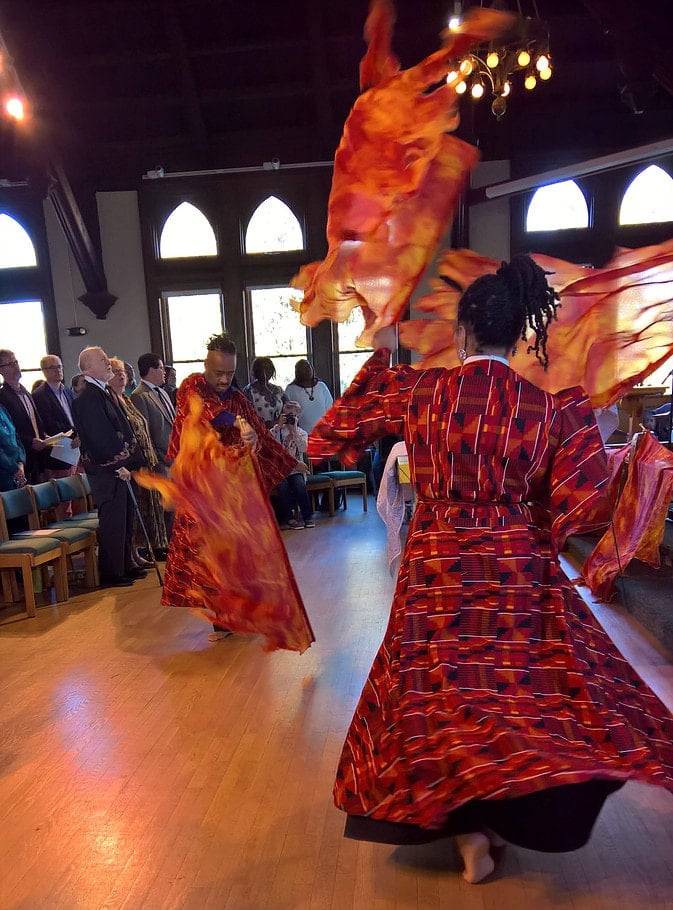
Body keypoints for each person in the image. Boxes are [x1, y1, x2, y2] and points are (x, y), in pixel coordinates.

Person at [308, 255, 673, 884]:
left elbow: (326, 439)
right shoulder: (548, 407)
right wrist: (537, 529)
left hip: (436, 565)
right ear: (517, 334)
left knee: (440, 691)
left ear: (462, 334)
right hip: (513, 567)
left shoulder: (421, 392)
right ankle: (505, 816)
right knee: (512, 692)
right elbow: (584, 499)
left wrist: (380, 353)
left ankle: (467, 827)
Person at [163, 332, 301, 641]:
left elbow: (259, 434)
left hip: (231, 491)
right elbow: (209, 414)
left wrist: (288, 460)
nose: (224, 379)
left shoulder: (238, 398)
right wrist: (240, 425)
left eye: (229, 373)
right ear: (206, 366)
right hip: (201, 487)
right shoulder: (191, 386)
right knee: (202, 554)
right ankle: (221, 618)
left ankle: (234, 614)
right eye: (218, 373)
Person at [72, 346, 146, 587]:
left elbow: (120, 427)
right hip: (108, 470)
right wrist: (119, 463)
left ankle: (124, 565)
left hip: (119, 467)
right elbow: (99, 436)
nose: (108, 363)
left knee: (124, 517)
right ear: (87, 368)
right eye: (102, 360)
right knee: (113, 520)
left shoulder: (102, 392)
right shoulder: (88, 397)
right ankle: (112, 573)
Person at [108, 358, 169, 567]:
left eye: (123, 371)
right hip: (135, 461)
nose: (122, 374)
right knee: (139, 512)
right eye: (116, 371)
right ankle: (134, 553)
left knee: (152, 508)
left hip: (147, 457)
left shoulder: (125, 398)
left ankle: (139, 552)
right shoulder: (127, 398)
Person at [131, 352, 176, 546]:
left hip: (174, 456)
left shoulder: (163, 392)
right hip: (159, 459)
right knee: (164, 505)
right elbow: (145, 432)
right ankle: (163, 544)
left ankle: (174, 541)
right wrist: (159, 457)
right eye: (160, 367)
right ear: (150, 370)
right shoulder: (139, 395)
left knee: (175, 504)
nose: (164, 372)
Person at [33, 355, 81, 517]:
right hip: (58, 450)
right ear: (44, 371)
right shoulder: (39, 395)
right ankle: (66, 530)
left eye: (59, 366)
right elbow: (49, 423)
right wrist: (72, 434)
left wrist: (78, 434)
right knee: (64, 498)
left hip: (74, 447)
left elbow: (75, 416)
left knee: (76, 493)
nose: (58, 370)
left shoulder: (67, 390)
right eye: (53, 367)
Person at [0, 349, 48, 483]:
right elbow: (11, 432)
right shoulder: (3, 396)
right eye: (10, 364)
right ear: (1, 370)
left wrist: (42, 435)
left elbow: (34, 421)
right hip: (18, 460)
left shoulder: (25, 392)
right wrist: (30, 441)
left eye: (16, 362)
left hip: (37, 456)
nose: (16, 366)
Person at [270, 400, 315, 529]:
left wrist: (294, 431)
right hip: (280, 470)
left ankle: (307, 516)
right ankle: (289, 518)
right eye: (287, 415)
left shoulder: (301, 433)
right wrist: (278, 426)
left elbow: (303, 449)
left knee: (299, 485)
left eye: (292, 416)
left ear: (297, 417)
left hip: (296, 470)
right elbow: (270, 445)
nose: (289, 418)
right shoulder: (276, 431)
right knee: (282, 487)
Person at [285, 359, 333, 433]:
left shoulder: (321, 386)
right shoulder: (291, 389)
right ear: (297, 372)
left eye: (308, 367)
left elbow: (330, 410)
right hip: (300, 435)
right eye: (303, 368)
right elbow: (288, 414)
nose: (307, 370)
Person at [243, 356, 286, 428]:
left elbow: (286, 409)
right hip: (259, 434)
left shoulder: (278, 390)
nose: (266, 372)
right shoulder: (249, 391)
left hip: (279, 434)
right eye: (262, 369)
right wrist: (272, 424)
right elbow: (248, 418)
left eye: (269, 368)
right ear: (256, 371)